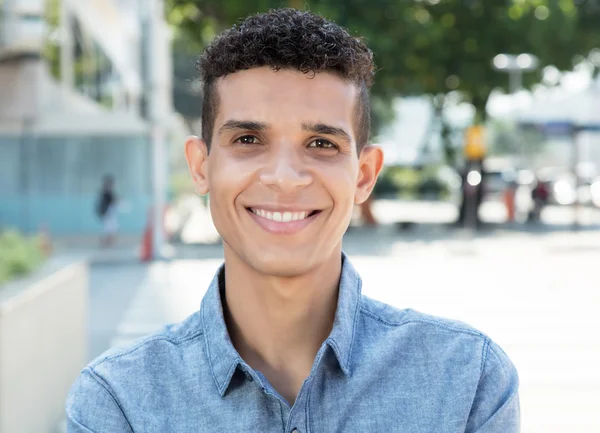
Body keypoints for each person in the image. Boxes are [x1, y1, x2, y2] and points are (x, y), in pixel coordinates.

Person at [67, 9, 520, 432]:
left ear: (363, 176)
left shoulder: (467, 381)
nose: (284, 179)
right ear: (201, 166)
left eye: (321, 144)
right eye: (247, 139)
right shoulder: (118, 402)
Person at [96, 175, 118, 246]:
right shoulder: (106, 192)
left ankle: (108, 241)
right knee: (109, 228)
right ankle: (106, 241)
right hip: (108, 213)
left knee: (110, 228)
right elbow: (112, 201)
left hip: (108, 213)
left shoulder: (106, 192)